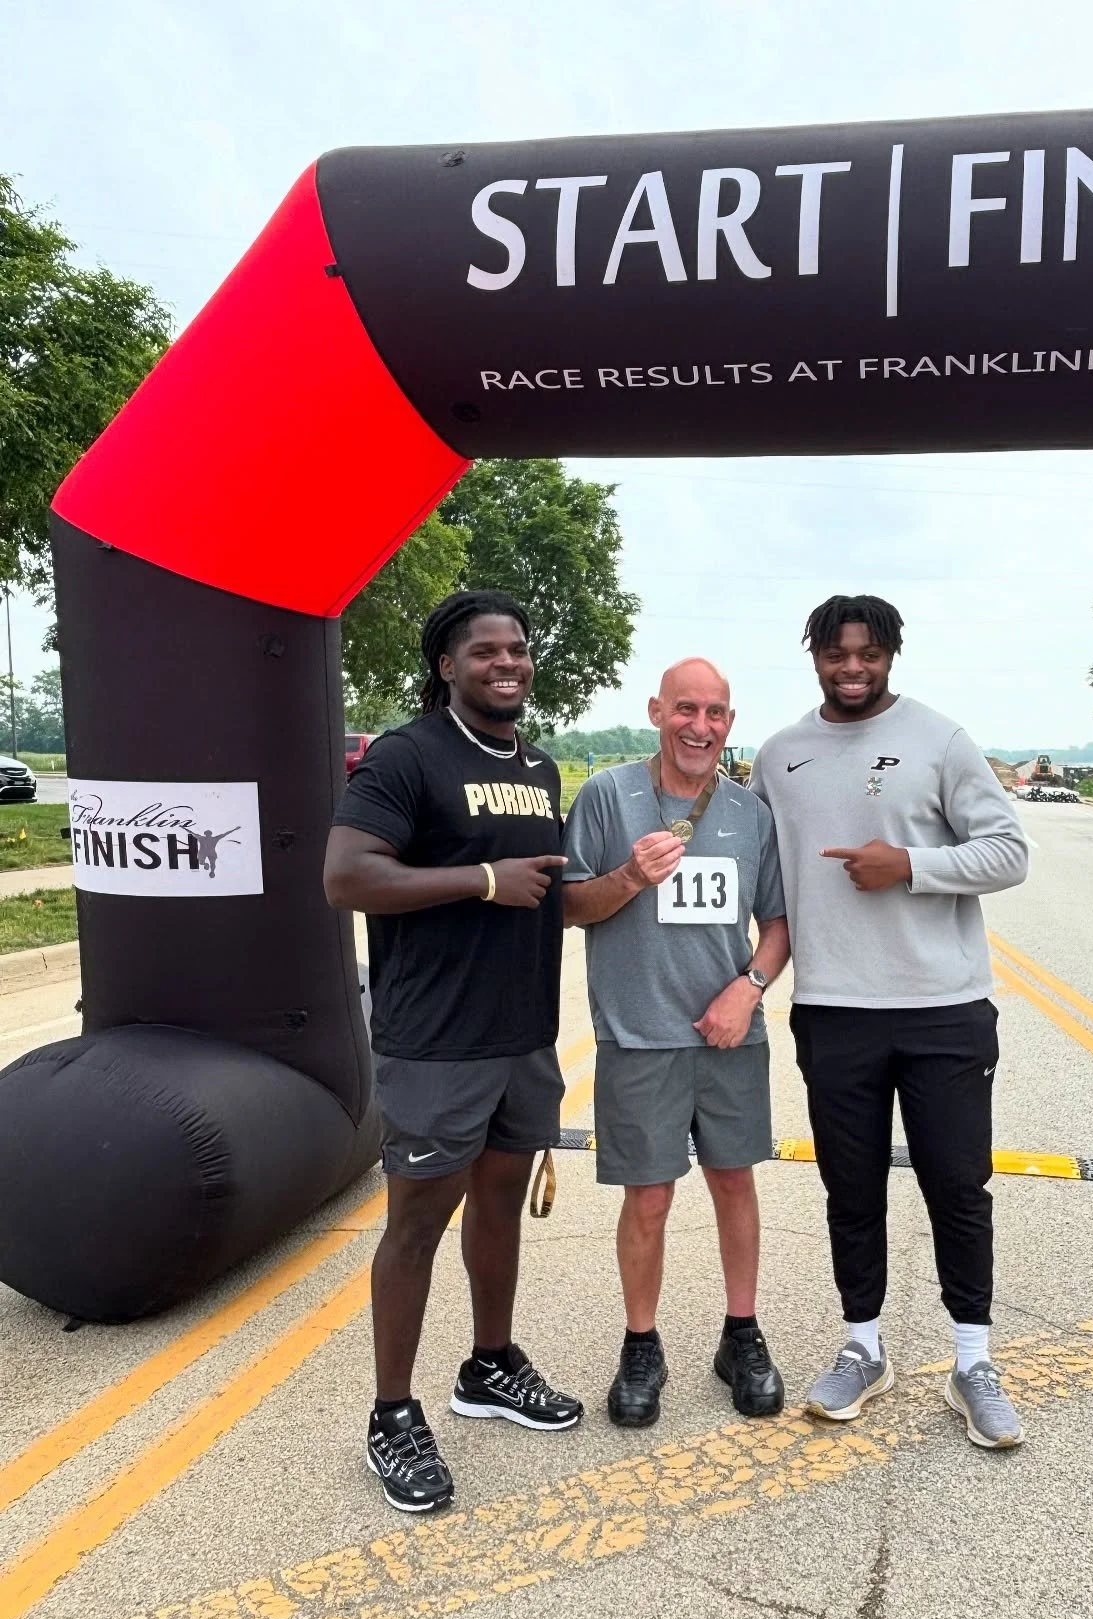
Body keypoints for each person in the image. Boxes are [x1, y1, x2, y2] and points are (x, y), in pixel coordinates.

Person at [748, 595, 1030, 1449]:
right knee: (851, 1189)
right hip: (834, 1010)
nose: (852, 668)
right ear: (814, 657)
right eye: (836, 654)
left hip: (943, 1007)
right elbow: (759, 874)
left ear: (892, 655)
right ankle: (862, 1348)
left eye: (868, 653)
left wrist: (910, 865)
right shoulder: (780, 755)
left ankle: (972, 1363)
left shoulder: (942, 740)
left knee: (957, 1185)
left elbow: (1008, 851)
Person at [324, 590, 583, 1515]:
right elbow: (348, 875)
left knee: (500, 1210)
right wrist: (480, 879)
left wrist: (628, 879)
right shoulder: (406, 755)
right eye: (485, 651)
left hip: (521, 1036)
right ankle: (392, 1414)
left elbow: (550, 896)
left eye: (518, 648)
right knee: (417, 1224)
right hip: (435, 1040)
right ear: (446, 665)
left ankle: (489, 1366)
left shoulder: (542, 768)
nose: (507, 662)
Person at [562, 659, 790, 1428]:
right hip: (638, 1038)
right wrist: (629, 875)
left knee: (734, 1183)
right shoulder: (607, 796)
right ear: (658, 711)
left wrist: (748, 988)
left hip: (729, 1037)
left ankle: (741, 1335)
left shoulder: (750, 815)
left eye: (717, 713)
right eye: (686, 709)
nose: (701, 726)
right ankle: (641, 1345)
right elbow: (568, 906)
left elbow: (778, 925)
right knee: (649, 1199)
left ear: (731, 722)